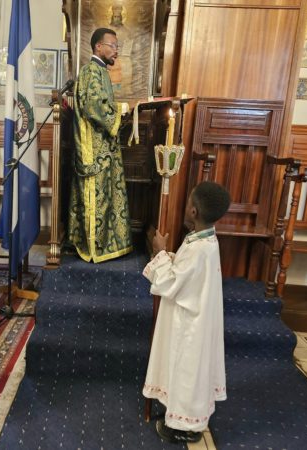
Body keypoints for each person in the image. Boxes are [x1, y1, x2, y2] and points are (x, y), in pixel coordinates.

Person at [142, 181, 231, 444]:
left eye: (189, 201)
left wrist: (159, 252)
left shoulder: (198, 248)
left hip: (190, 325)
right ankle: (185, 419)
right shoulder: (204, 240)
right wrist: (171, 258)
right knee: (190, 371)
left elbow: (171, 283)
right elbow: (186, 275)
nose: (186, 205)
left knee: (187, 371)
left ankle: (184, 427)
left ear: (193, 211)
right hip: (197, 318)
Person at [68, 27, 132, 263]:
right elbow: (94, 105)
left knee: (107, 197)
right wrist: (121, 110)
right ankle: (94, 248)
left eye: (117, 46)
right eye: (112, 46)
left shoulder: (101, 71)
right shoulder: (90, 71)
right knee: (97, 199)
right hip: (93, 149)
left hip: (103, 147)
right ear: (98, 46)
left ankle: (106, 245)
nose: (116, 51)